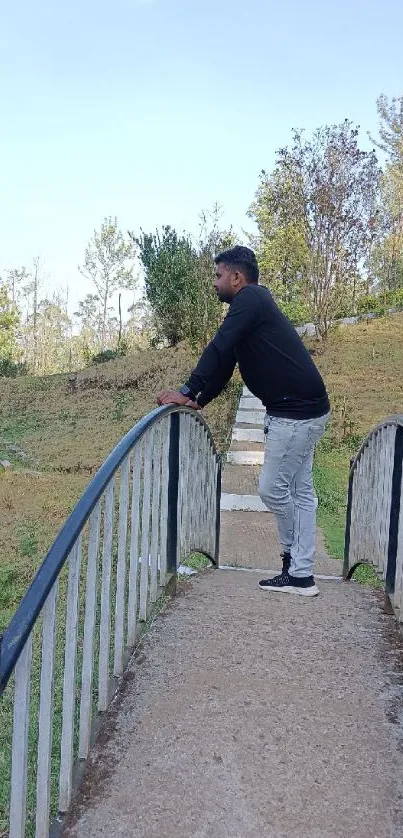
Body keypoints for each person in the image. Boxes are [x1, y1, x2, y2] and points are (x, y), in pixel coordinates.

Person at [157, 246, 330, 597]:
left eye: (218, 275)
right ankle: (300, 572)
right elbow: (224, 363)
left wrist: (186, 387)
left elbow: (218, 346)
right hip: (303, 409)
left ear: (237, 278)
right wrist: (198, 398)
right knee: (300, 492)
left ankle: (297, 568)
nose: (215, 282)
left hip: (295, 413)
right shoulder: (250, 310)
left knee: (272, 489)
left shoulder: (250, 299)